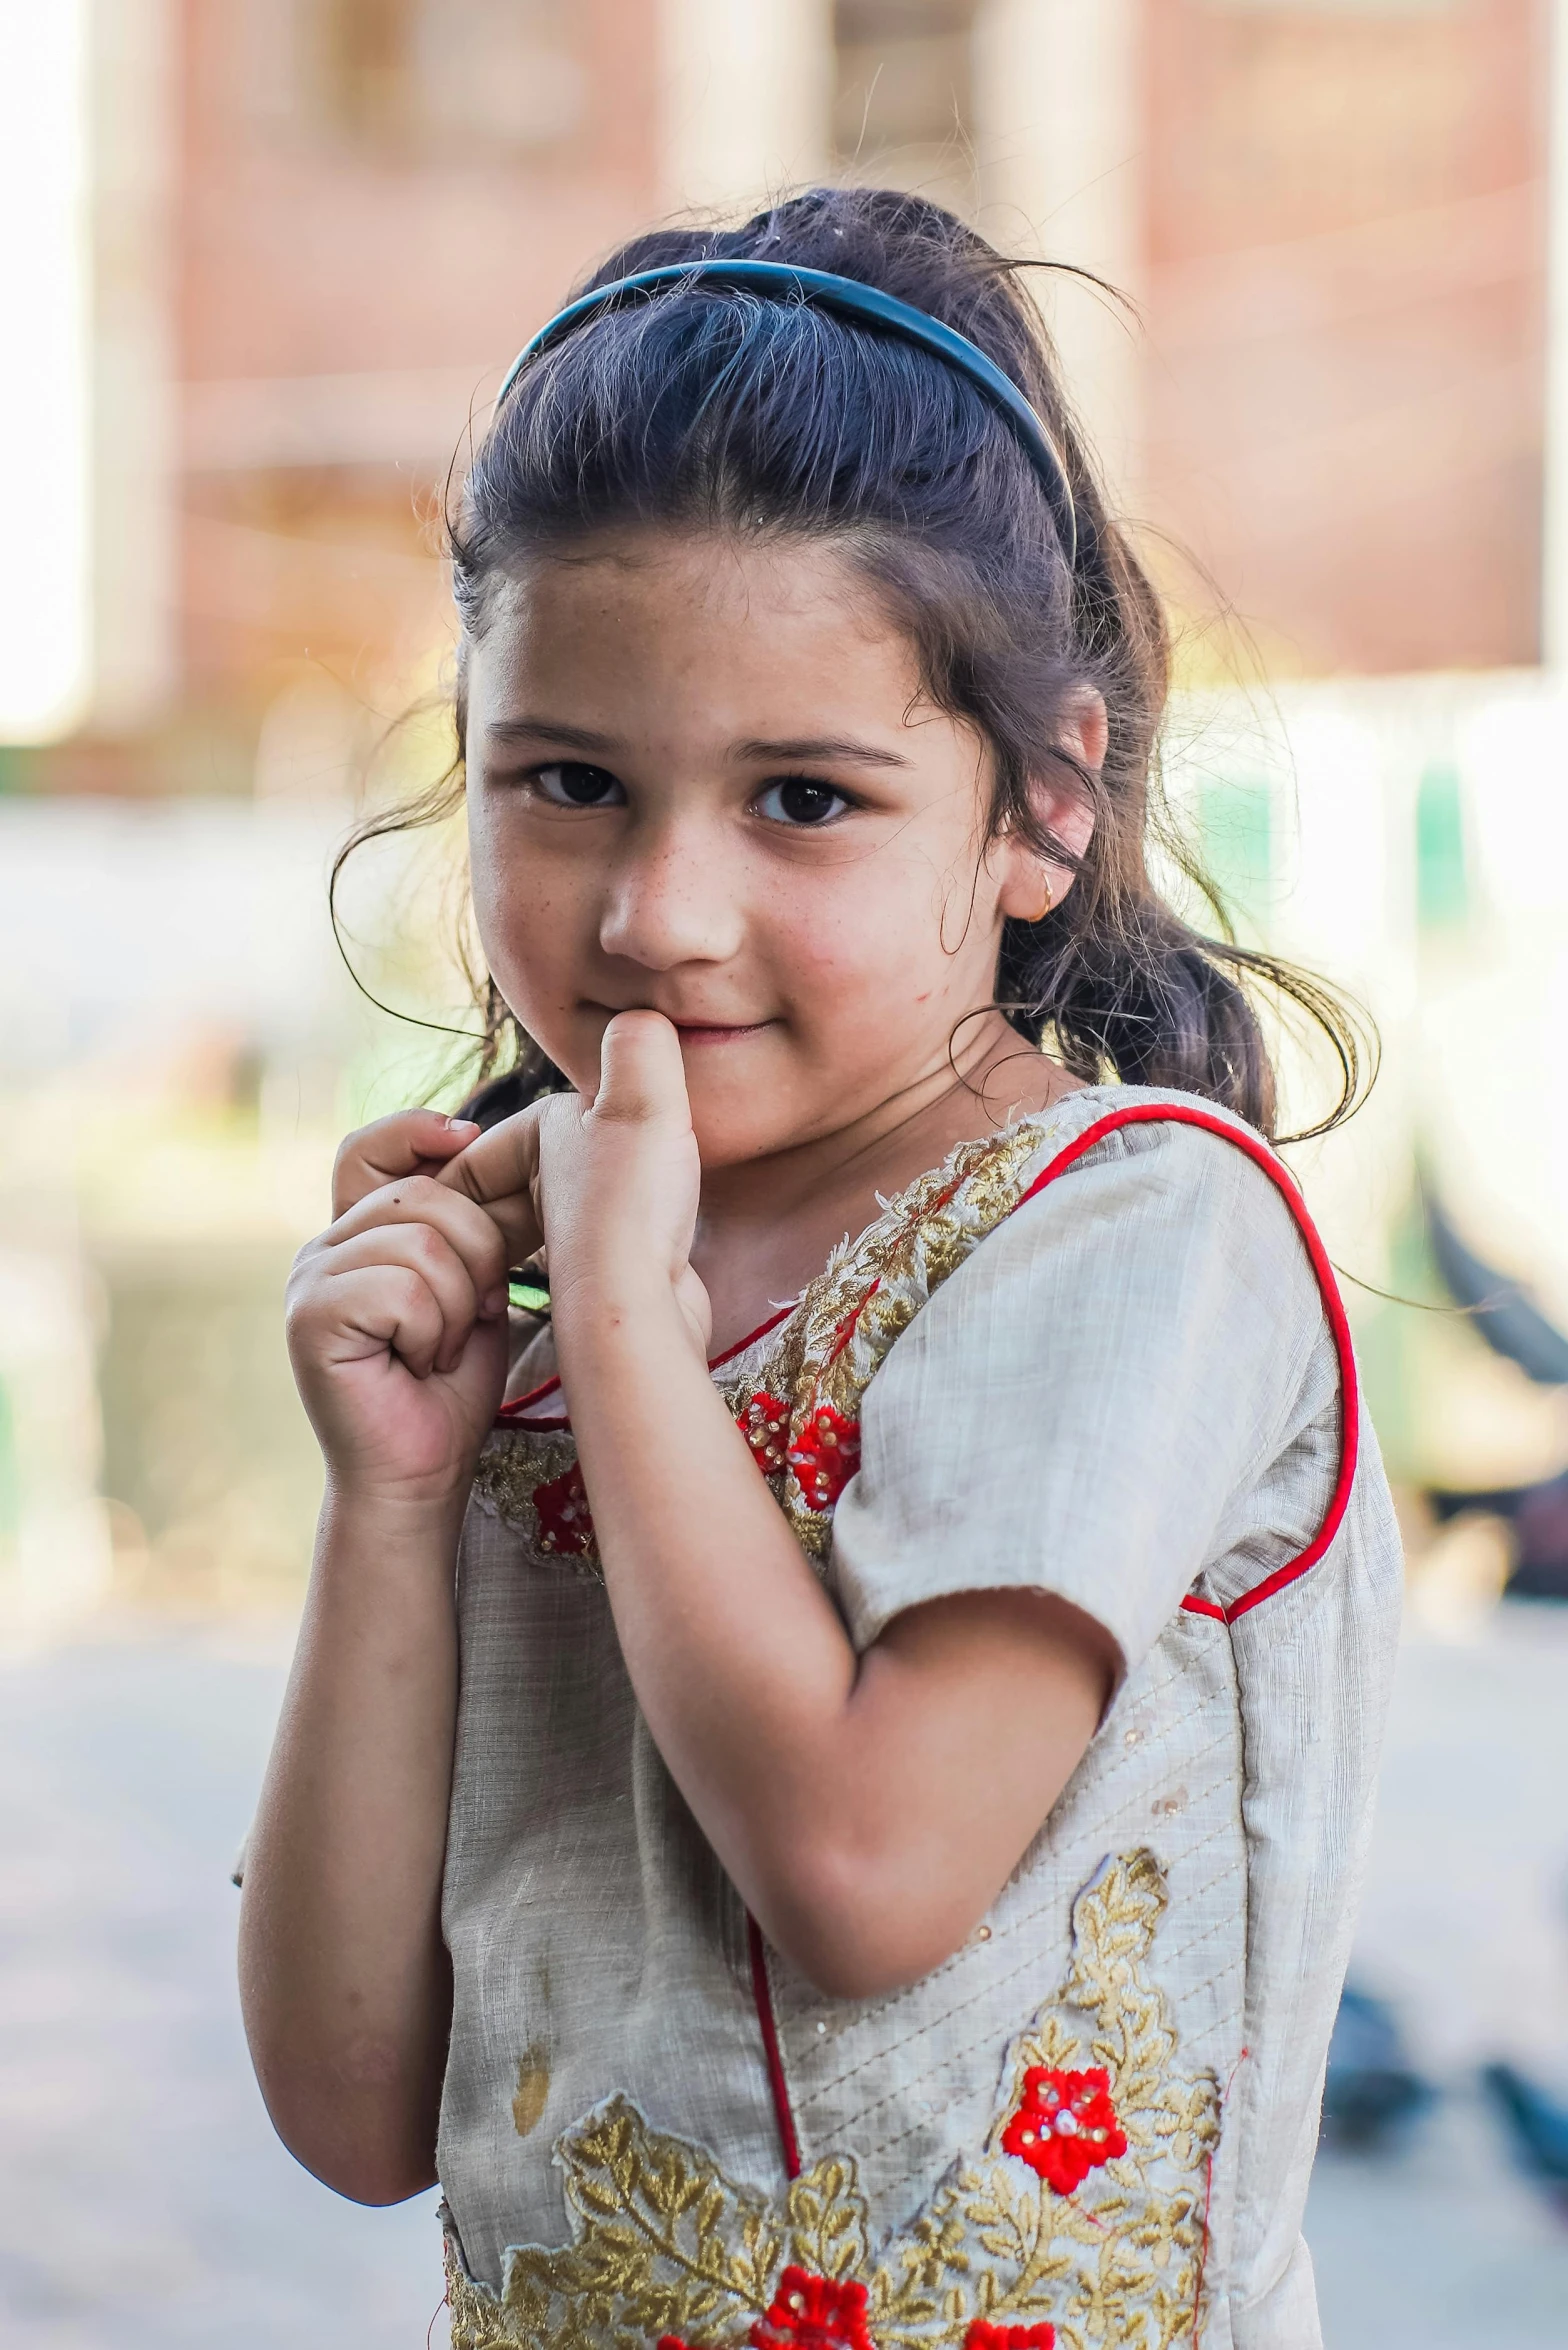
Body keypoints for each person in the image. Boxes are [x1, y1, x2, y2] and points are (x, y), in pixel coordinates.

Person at [238, 189, 1402, 2350]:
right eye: (568, 780)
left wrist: (612, 1327)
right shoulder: (534, 1290)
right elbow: (354, 2099)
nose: (659, 912)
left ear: (1044, 803)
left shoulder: (1139, 1228)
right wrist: (394, 1493)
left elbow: (867, 1870)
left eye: (802, 796)